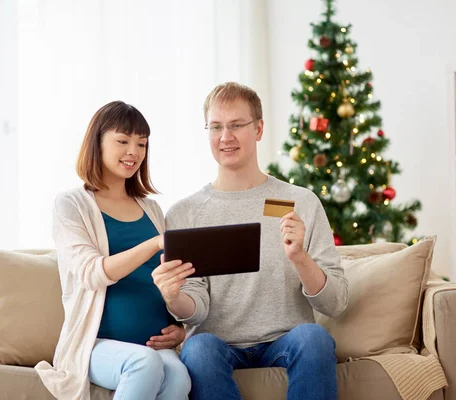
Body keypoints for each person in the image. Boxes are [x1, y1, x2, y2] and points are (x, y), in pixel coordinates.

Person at [152, 82, 349, 400]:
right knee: (198, 347)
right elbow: (195, 310)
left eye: (236, 125)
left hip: (287, 341)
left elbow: (335, 303)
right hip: (217, 345)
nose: (225, 137)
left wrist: (300, 257)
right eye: (215, 127)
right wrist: (173, 297)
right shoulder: (185, 213)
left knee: (314, 338)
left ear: (258, 129)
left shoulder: (301, 201)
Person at [35, 101, 192, 400]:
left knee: (179, 378)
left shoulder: (152, 209)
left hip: (154, 342)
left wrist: (180, 329)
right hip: (98, 344)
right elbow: (90, 273)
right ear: (98, 142)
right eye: (122, 141)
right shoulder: (72, 204)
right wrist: (154, 243)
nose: (133, 151)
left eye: (141, 144)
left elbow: (171, 278)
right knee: (142, 364)